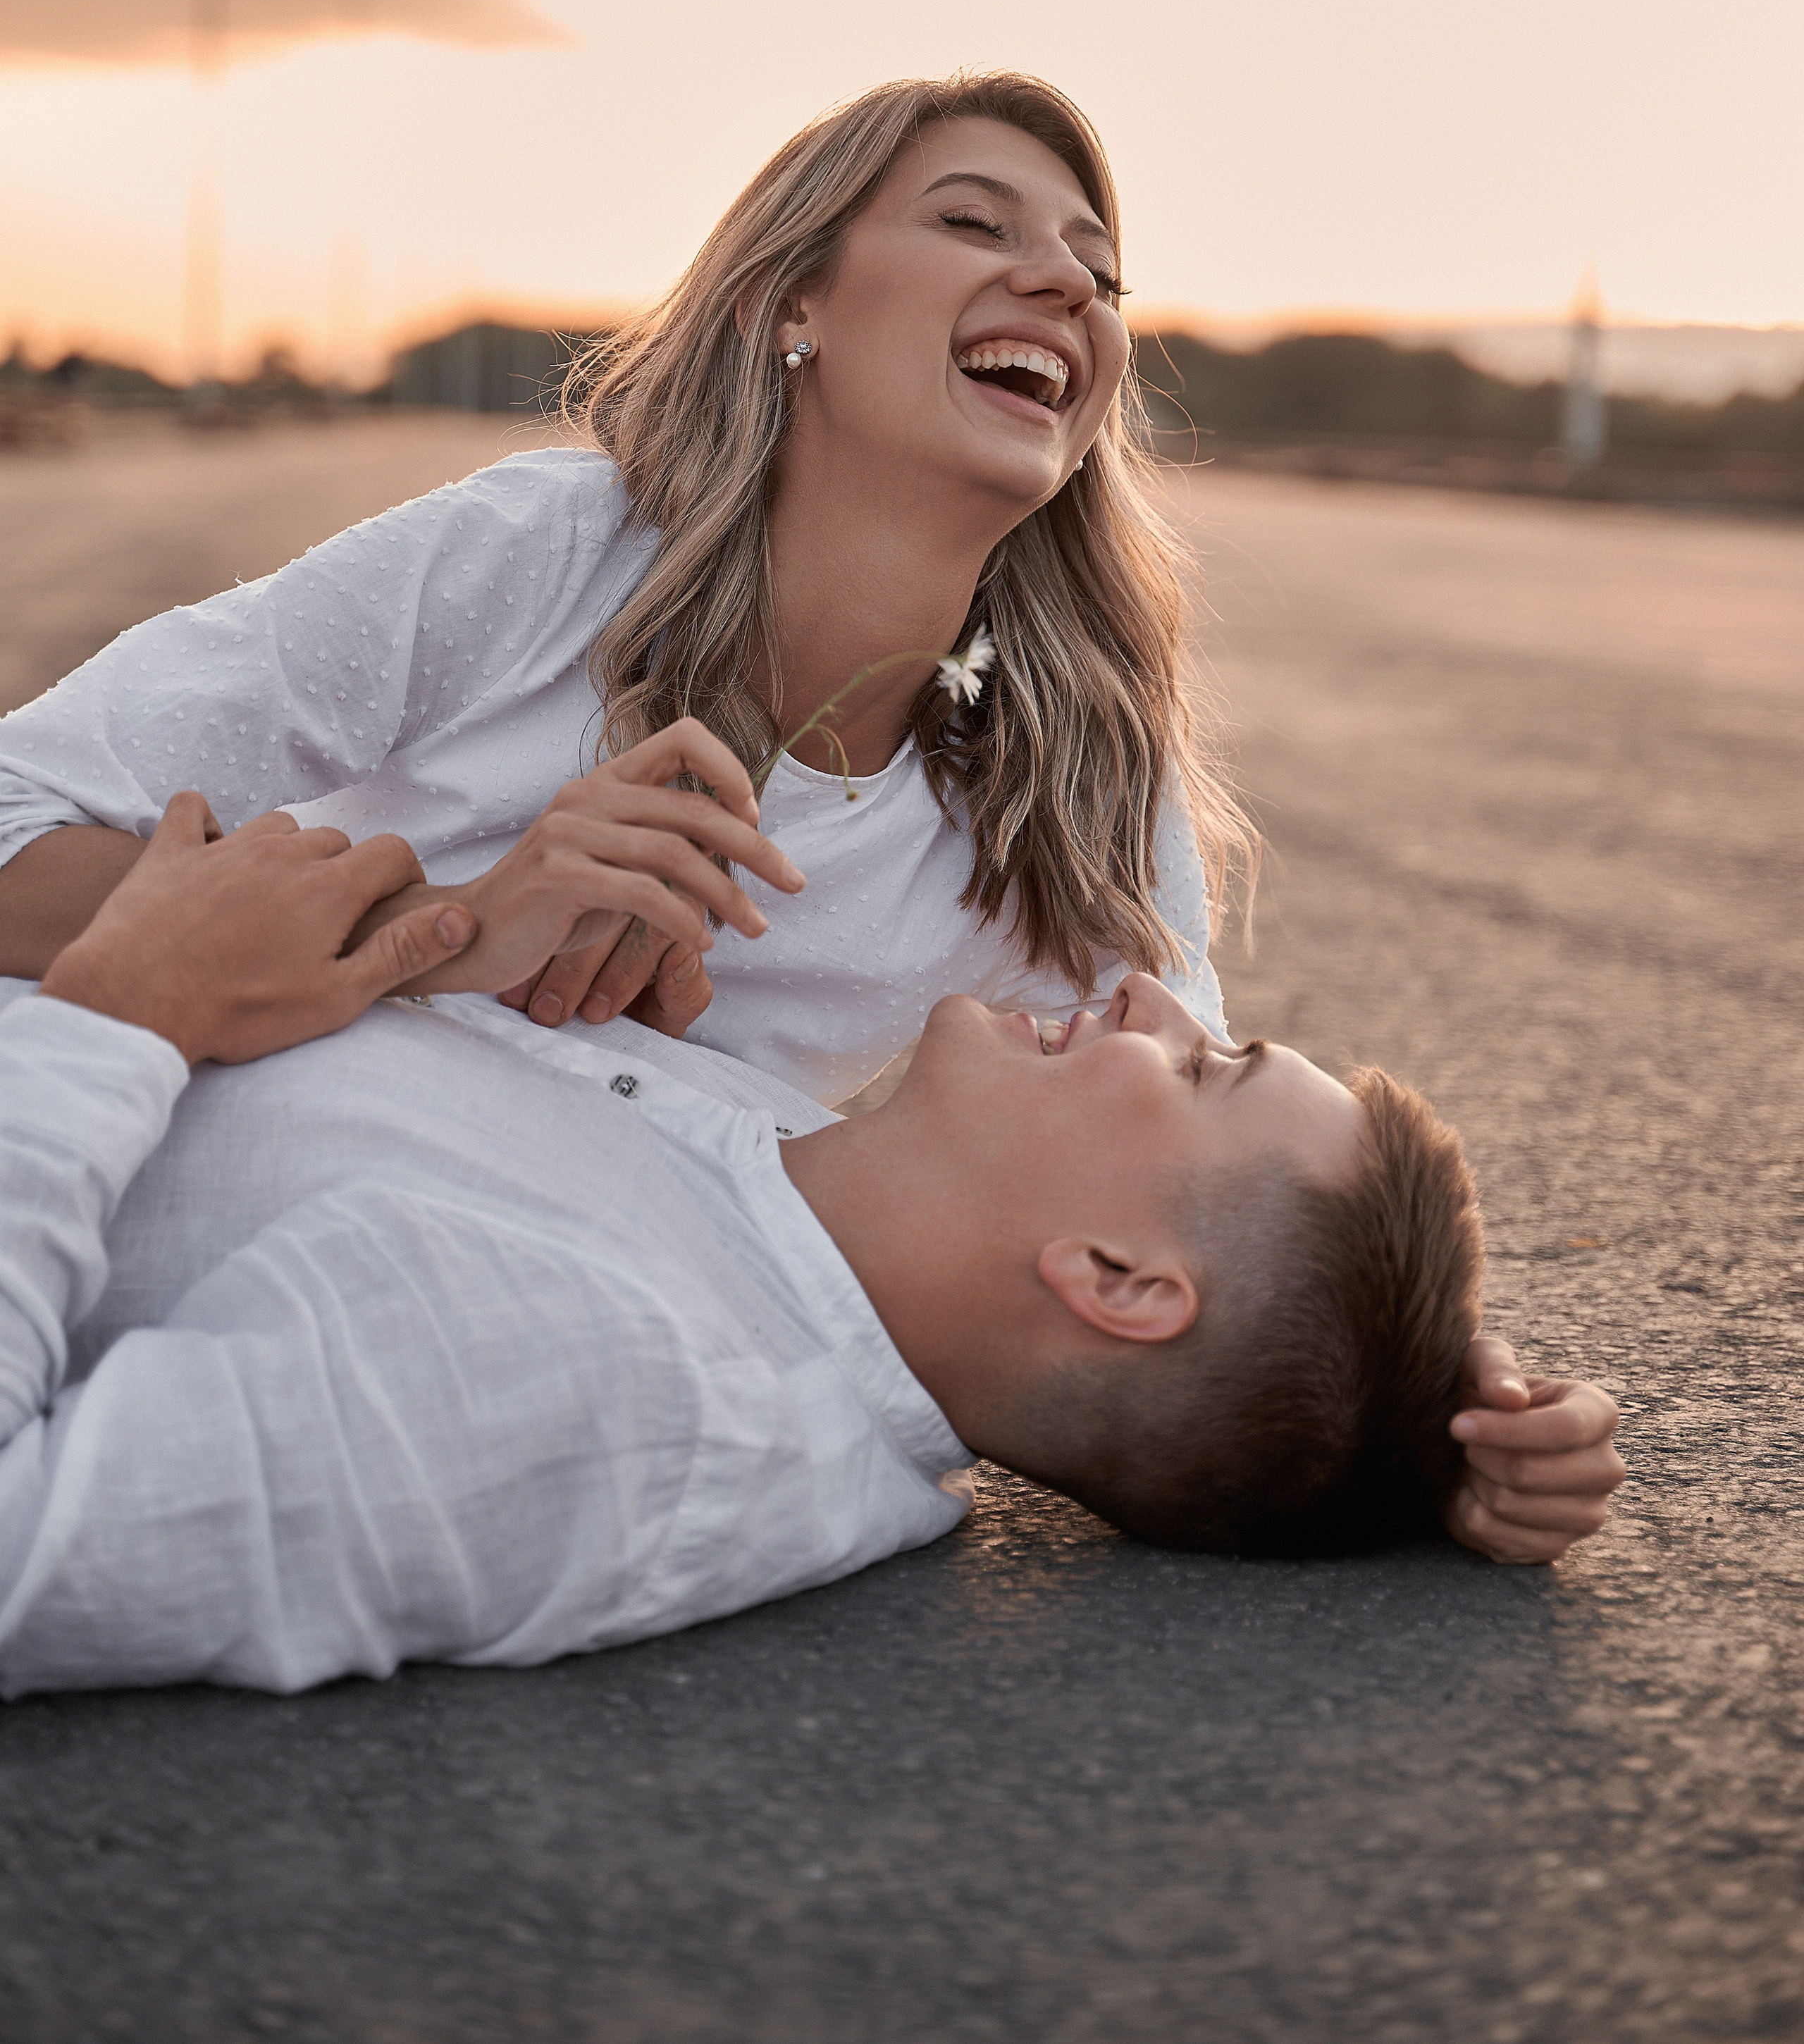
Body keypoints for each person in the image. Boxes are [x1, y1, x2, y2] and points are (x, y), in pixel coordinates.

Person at [0, 75, 1616, 1559]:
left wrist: (1419, 1407)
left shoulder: (1078, 768)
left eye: (1099, 271)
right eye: (973, 222)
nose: (1065, 285)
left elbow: (1211, 1214)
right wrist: (444, 931)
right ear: (791, 303)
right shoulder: (553, 555)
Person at [0, 798, 1624, 1699]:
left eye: (1205, 1066)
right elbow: (1272, 1310)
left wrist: (125, 1013)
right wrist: (1422, 1405)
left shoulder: (608, 1395)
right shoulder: (765, 1156)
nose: (1150, 996)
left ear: (1115, 1282)